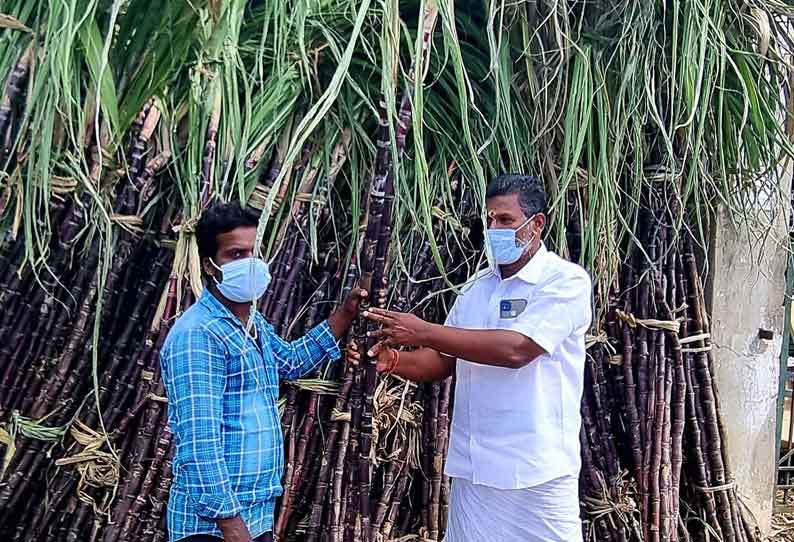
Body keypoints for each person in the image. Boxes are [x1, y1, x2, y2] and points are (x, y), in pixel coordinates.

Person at [353, 174, 592, 542]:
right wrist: (393, 361)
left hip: (537, 469)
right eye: (490, 219)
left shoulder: (564, 282)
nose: (495, 228)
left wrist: (424, 331)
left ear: (537, 224)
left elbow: (518, 350)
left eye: (506, 220)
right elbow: (444, 360)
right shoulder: (478, 288)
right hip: (476, 468)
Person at [160, 201, 366, 542]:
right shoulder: (198, 335)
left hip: (255, 514)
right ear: (211, 266)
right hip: (212, 527)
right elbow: (199, 442)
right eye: (236, 255)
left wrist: (345, 313)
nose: (250, 264)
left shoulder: (252, 324)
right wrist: (230, 524)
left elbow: (292, 361)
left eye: (254, 253)